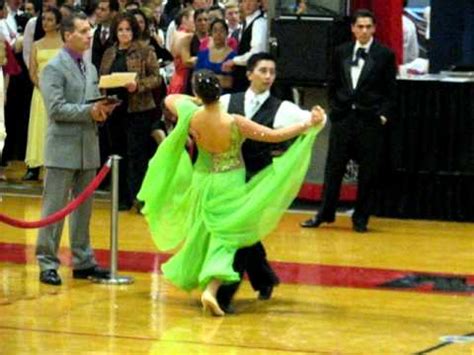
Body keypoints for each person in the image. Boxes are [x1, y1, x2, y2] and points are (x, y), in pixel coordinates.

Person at [137, 70, 326, 316]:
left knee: (206, 235)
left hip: (203, 182)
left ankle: (240, 282)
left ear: (198, 93)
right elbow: (274, 136)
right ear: (220, 91)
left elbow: (169, 100)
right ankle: (214, 290)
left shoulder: (191, 115)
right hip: (230, 183)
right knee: (228, 238)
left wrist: (195, 100)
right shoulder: (234, 121)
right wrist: (307, 125)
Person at [216, 52, 326, 312]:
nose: (267, 76)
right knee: (244, 233)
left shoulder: (283, 108)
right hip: (230, 179)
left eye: (272, 72)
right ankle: (265, 279)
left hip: (261, 179)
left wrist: (318, 117)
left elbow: (311, 121)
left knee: (240, 233)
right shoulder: (227, 101)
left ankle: (224, 294)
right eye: (263, 70)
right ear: (249, 73)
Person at [36, 12, 118, 286]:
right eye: (83, 31)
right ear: (67, 34)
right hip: (62, 147)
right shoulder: (53, 68)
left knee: (84, 211)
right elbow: (56, 109)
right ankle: (47, 262)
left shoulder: (90, 67)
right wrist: (90, 111)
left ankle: (83, 262)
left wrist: (102, 109)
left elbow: (88, 104)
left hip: (88, 147)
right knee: (54, 209)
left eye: (89, 31)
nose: (88, 35)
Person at [301, 9, 396, 233]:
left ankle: (361, 219)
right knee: (333, 168)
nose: (363, 31)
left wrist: (382, 116)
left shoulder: (385, 55)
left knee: (368, 172)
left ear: (374, 29)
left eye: (368, 27)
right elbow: (332, 83)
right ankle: (324, 214)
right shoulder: (340, 52)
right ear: (353, 28)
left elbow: (390, 92)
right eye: (359, 26)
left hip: (369, 120)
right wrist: (335, 108)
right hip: (344, 118)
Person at [100, 13, 162, 211]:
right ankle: (121, 198)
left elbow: (157, 78)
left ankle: (139, 197)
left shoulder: (145, 50)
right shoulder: (109, 52)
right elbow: (102, 77)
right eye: (120, 30)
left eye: (128, 29)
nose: (124, 33)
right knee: (118, 152)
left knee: (137, 155)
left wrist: (138, 85)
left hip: (138, 109)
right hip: (115, 109)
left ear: (134, 31)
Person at [24, 6, 62, 182]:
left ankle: (53, 166)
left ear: (58, 23)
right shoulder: (36, 44)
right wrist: (42, 86)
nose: (46, 23)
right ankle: (35, 166)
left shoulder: (64, 45)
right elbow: (32, 71)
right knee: (39, 128)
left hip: (59, 94)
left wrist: (55, 89)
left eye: (50, 20)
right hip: (40, 93)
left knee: (54, 129)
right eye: (44, 19)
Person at [195, 19, 236, 92]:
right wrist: (219, 78)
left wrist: (204, 78)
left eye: (221, 30)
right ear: (211, 33)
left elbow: (229, 82)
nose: (218, 34)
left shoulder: (233, 56)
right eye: (215, 31)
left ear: (227, 33)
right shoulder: (203, 54)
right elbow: (195, 78)